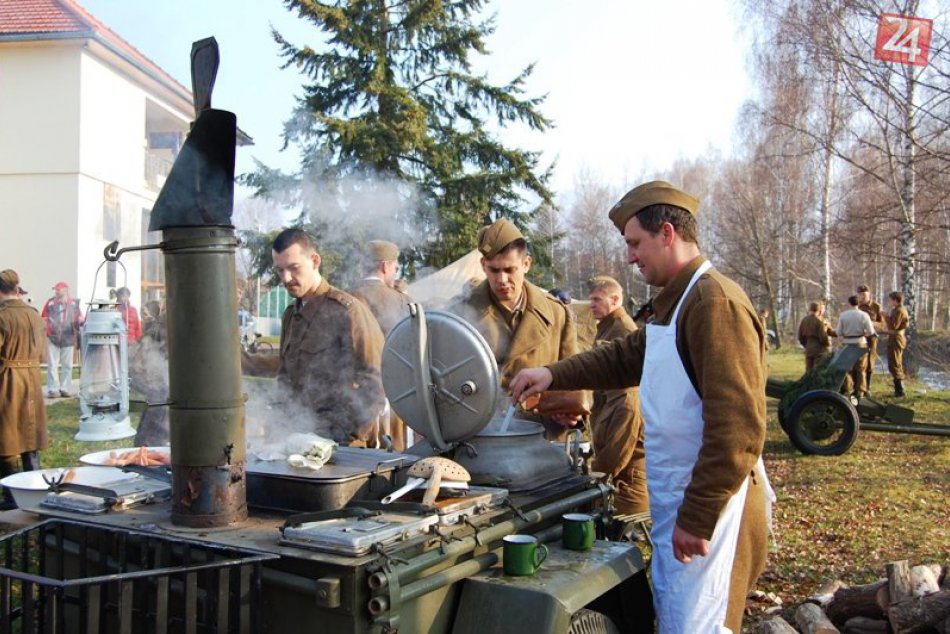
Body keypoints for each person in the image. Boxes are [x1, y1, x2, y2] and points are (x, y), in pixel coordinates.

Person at [508, 181, 772, 633]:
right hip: (680, 499)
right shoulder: (677, 300)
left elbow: (739, 427)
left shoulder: (714, 302)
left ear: (667, 233)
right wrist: (552, 374)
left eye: (635, 243)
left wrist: (699, 514)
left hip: (715, 511)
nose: (630, 256)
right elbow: (625, 356)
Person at [449, 218, 578, 440]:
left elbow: (574, 376)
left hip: (539, 438)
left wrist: (571, 411)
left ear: (526, 264)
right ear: (483, 266)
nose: (502, 279)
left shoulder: (556, 313)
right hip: (479, 439)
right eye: (494, 270)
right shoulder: (457, 316)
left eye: (510, 269)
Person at [272, 229, 391, 448]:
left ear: (315, 260)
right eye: (280, 270)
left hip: (338, 446)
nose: (286, 278)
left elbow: (377, 379)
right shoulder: (290, 315)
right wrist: (278, 425)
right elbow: (285, 378)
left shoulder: (347, 311)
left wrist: (347, 434)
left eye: (293, 268)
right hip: (295, 439)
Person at [586, 275, 648, 515]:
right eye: (590, 299)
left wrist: (598, 476)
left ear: (614, 299)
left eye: (597, 299)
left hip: (627, 477)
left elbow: (628, 411)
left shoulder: (623, 330)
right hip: (610, 419)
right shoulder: (609, 326)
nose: (591, 304)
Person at [0, 270, 48, 510]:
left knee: (6, 436)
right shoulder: (34, 314)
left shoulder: (2, 316)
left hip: (7, 379)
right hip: (32, 379)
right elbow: (42, 353)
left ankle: (11, 497)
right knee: (30, 435)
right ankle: (35, 489)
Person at [350, 240, 411, 336]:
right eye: (395, 268)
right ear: (385, 266)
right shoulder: (402, 300)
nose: (396, 274)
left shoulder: (347, 296)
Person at [40, 281, 83, 398]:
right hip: (53, 336)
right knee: (52, 364)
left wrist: (80, 322)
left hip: (68, 336)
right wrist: (47, 327)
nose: (56, 292)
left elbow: (79, 317)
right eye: (56, 290)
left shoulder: (74, 303)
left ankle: (65, 388)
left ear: (65, 290)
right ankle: (53, 389)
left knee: (67, 365)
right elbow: (43, 316)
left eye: (58, 290)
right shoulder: (50, 303)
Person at [836, 295, 876, 399]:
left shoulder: (843, 315)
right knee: (861, 368)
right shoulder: (864, 315)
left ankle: (846, 389)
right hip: (860, 342)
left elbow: (838, 332)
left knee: (847, 367)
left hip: (847, 343)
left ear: (849, 303)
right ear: (858, 303)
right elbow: (871, 331)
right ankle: (860, 391)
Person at [856, 284, 886, 394]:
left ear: (869, 295)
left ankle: (867, 387)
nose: (862, 297)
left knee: (870, 363)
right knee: (859, 363)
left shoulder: (876, 307)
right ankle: (859, 387)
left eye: (864, 295)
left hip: (872, 339)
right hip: (859, 339)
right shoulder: (857, 307)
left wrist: (871, 324)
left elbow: (883, 324)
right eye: (860, 295)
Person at [797, 301, 836, 371]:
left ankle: (808, 382)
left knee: (808, 370)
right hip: (819, 349)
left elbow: (800, 336)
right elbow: (823, 337)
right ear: (819, 310)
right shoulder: (819, 321)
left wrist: (806, 345)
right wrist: (828, 345)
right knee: (817, 371)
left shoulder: (804, 320)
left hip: (808, 348)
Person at [884, 291, 909, 397]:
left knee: (895, 364)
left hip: (896, 339)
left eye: (891, 300)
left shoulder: (899, 311)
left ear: (895, 300)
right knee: (894, 363)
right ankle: (898, 389)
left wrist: (885, 316)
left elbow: (893, 326)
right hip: (895, 339)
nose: (890, 302)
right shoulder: (897, 310)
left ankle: (900, 390)